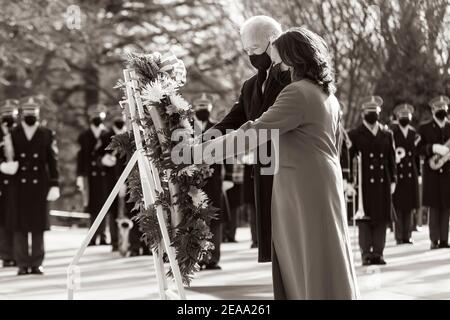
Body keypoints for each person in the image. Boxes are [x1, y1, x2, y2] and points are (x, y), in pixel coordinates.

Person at [191, 27, 359, 299]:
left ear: (293, 60)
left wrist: (198, 154)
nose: (278, 68)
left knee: (306, 259)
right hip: (323, 182)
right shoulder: (328, 96)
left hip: (301, 187)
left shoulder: (297, 93)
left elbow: (253, 133)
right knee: (326, 254)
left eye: (279, 61)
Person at [207, 15, 291, 264]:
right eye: (246, 50)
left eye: (254, 49)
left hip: (288, 172)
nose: (251, 56)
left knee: (291, 249)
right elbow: (228, 123)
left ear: (273, 42)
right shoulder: (250, 86)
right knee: (275, 251)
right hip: (263, 174)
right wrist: (194, 145)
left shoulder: (293, 81)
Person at [11, 97, 60, 275]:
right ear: (23, 115)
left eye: (34, 114)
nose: (31, 116)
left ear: (38, 115)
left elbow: (52, 161)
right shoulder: (13, 133)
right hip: (19, 184)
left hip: (40, 183)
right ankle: (22, 263)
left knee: (39, 224)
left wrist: (54, 183)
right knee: (20, 225)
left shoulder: (47, 133)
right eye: (28, 114)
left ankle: (37, 262)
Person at [348, 96, 397, 266]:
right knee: (365, 219)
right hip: (363, 184)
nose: (372, 115)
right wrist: (348, 181)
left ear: (379, 113)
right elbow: (347, 157)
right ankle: (366, 253)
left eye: (375, 112)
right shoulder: (355, 134)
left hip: (383, 182)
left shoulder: (387, 134)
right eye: (369, 112)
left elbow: (392, 158)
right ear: (363, 114)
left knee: (381, 218)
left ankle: (378, 252)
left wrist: (394, 180)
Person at [193, 93, 223, 270]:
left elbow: (228, 156)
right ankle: (195, 258)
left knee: (215, 219)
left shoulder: (218, 127)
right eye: (200, 107)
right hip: (193, 182)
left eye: (206, 107)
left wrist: (227, 179)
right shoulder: (186, 128)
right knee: (195, 218)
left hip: (214, 181)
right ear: (195, 109)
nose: (203, 110)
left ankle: (212, 258)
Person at [418, 95, 450, 249]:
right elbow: (417, 149)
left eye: (444, 108)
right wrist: (432, 148)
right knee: (435, 207)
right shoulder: (424, 128)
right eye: (439, 108)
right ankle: (434, 239)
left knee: (446, 206)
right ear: (432, 110)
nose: (442, 110)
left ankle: (445, 239)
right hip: (432, 173)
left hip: (448, 172)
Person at [76, 105, 111, 246]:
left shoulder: (107, 134)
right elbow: (81, 157)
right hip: (89, 175)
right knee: (91, 206)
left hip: (104, 174)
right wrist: (79, 175)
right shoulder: (84, 136)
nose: (97, 119)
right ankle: (92, 235)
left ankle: (103, 235)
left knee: (104, 205)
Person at [391, 103, 421, 245]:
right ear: (398, 118)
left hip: (410, 173)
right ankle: (399, 236)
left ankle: (407, 235)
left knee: (409, 206)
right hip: (398, 173)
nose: (405, 118)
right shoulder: (393, 133)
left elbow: (415, 156)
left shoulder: (414, 133)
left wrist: (419, 173)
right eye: (402, 116)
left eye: (407, 116)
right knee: (398, 205)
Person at [0, 99, 19, 268]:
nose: (9, 119)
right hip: (2, 182)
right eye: (6, 115)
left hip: (18, 183)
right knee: (3, 221)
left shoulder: (19, 133)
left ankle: (16, 254)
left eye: (11, 115)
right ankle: (6, 255)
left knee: (16, 219)